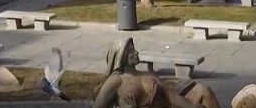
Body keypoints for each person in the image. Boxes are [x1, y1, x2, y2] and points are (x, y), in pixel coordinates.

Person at [92, 38, 220, 108]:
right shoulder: (116, 81)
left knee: (204, 91)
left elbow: (170, 96)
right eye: (131, 50)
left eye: (134, 48)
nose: (136, 52)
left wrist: (191, 106)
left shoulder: (148, 75)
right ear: (121, 57)